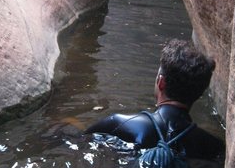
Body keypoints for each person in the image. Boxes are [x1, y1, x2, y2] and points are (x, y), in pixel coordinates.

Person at [85, 39, 224, 159]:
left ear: (161, 82)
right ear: (199, 94)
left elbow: (81, 141)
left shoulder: (117, 124)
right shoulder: (215, 147)